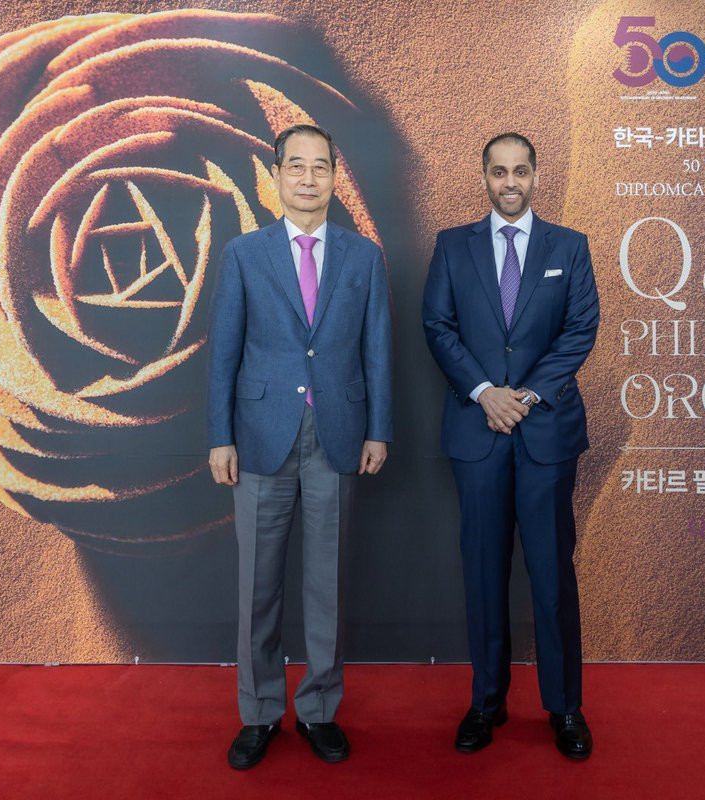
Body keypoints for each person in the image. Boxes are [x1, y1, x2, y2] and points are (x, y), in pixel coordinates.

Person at [206, 124, 392, 769]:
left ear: (335, 177)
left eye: (320, 167)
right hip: (261, 436)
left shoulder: (363, 257)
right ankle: (259, 712)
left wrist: (379, 428)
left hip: (338, 434)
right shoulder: (244, 254)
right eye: (297, 166)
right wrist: (220, 436)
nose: (309, 178)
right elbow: (224, 353)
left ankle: (318, 709)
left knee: (326, 585)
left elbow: (378, 349)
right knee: (257, 586)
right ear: (276, 174)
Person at [421, 132, 599, 759]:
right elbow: (437, 325)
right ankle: (486, 703)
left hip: (545, 431)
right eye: (499, 172)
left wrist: (522, 396)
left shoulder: (569, 246)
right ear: (485, 178)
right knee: (483, 572)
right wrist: (483, 393)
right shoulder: (452, 246)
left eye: (520, 171)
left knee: (552, 574)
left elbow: (580, 329)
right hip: (478, 432)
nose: (510, 182)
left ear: (536, 176)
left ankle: (565, 707)